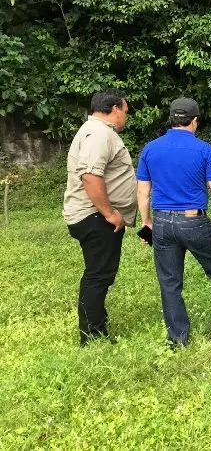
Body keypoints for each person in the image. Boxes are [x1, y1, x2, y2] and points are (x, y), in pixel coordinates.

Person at [136, 98, 211, 347]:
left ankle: (178, 338)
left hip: (161, 222)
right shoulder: (203, 149)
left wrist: (147, 222)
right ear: (195, 121)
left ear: (171, 119)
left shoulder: (150, 149)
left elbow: (142, 192)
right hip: (194, 221)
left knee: (170, 282)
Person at [64, 88, 137, 346]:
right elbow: (91, 177)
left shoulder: (94, 131)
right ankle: (92, 335)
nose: (125, 117)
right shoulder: (99, 134)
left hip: (93, 215)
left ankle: (95, 324)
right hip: (95, 216)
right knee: (98, 275)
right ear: (115, 109)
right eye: (125, 111)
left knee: (99, 273)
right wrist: (110, 213)